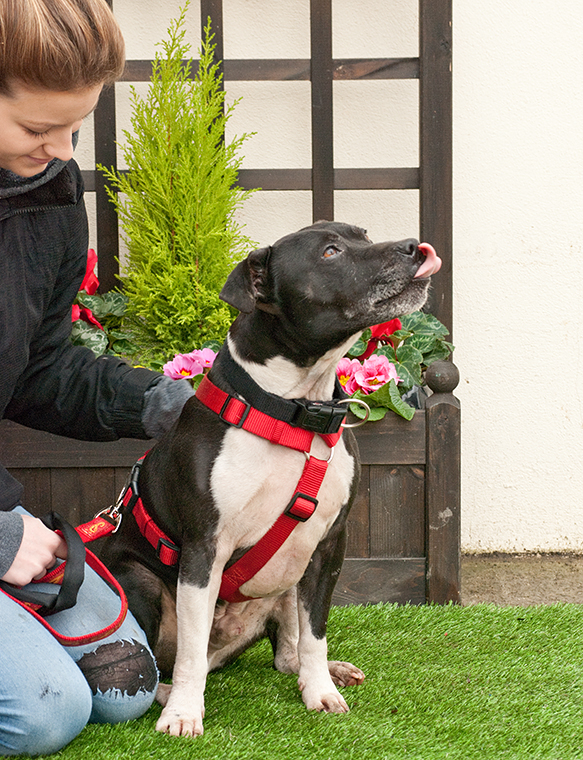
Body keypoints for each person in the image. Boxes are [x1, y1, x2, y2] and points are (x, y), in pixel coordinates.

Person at [0, 1, 194, 754]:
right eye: (37, 130)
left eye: (75, 128)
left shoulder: (47, 191)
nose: (59, 151)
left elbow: (37, 365)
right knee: (42, 718)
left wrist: (167, 402)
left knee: (124, 688)